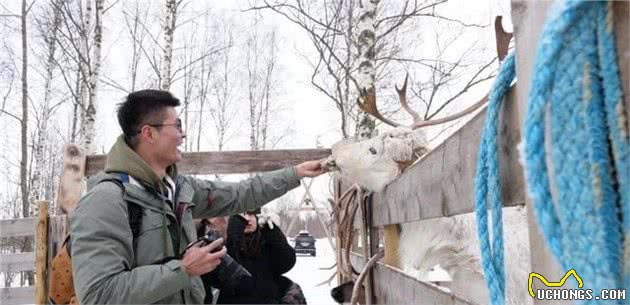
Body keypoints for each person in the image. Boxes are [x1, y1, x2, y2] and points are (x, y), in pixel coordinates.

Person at [70, 89, 326, 304]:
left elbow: (240, 194)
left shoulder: (179, 189)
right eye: (177, 125)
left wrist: (295, 173)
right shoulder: (106, 201)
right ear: (149, 133)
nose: (183, 135)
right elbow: (97, 295)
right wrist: (182, 269)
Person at [216, 212, 305, 304]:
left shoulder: (266, 242)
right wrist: (233, 234)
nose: (247, 219)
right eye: (240, 215)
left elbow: (286, 263)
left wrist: (273, 231)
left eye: (251, 214)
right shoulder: (222, 243)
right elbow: (225, 271)